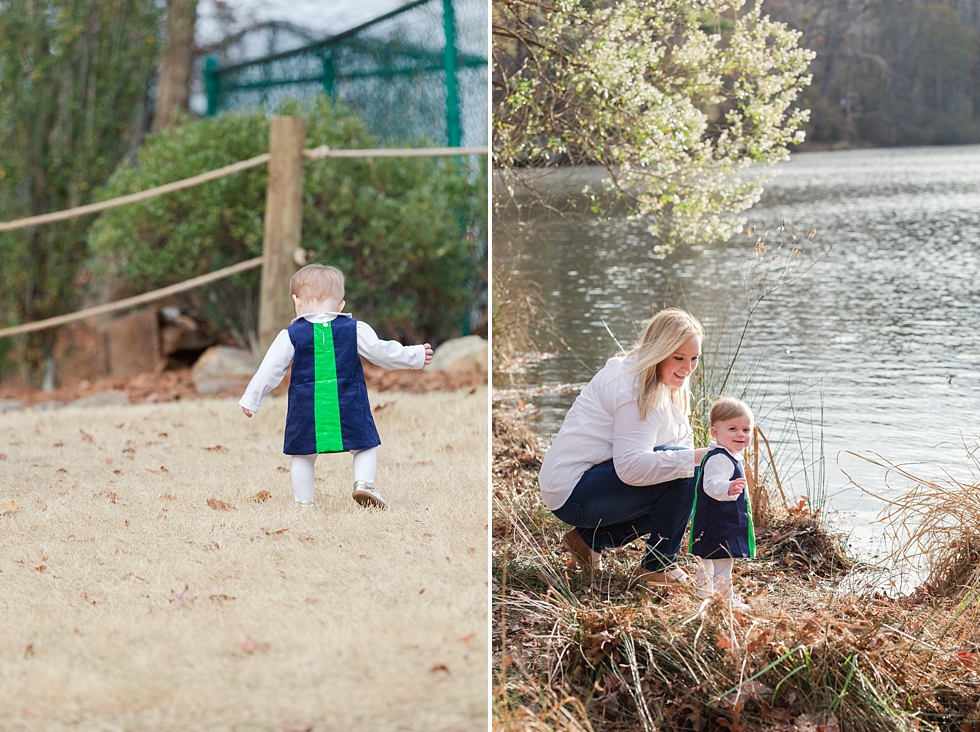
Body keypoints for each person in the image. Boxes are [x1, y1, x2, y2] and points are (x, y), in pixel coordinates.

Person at [240, 264, 433, 509]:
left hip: (306, 406)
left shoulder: (290, 334)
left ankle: (303, 502)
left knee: (303, 453)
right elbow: (381, 352)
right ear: (340, 305)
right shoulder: (355, 329)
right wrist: (414, 356)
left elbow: (270, 370)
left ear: (297, 301)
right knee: (364, 444)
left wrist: (251, 400)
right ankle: (364, 484)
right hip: (348, 400)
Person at [538, 308, 707, 586]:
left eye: (694, 359)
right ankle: (658, 566)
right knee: (684, 469)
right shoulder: (635, 387)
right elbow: (630, 468)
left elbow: (678, 447)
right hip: (574, 492)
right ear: (660, 351)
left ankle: (589, 541)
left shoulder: (664, 381)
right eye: (679, 358)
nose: (688, 368)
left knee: (687, 475)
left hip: (587, 485)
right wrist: (697, 458)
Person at [689, 396, 756, 610]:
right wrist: (726, 488)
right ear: (716, 433)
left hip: (716, 521)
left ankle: (704, 595)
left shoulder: (728, 455)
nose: (740, 434)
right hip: (719, 523)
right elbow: (711, 484)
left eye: (746, 430)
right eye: (733, 428)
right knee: (722, 564)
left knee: (708, 561)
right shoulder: (720, 458)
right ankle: (724, 602)